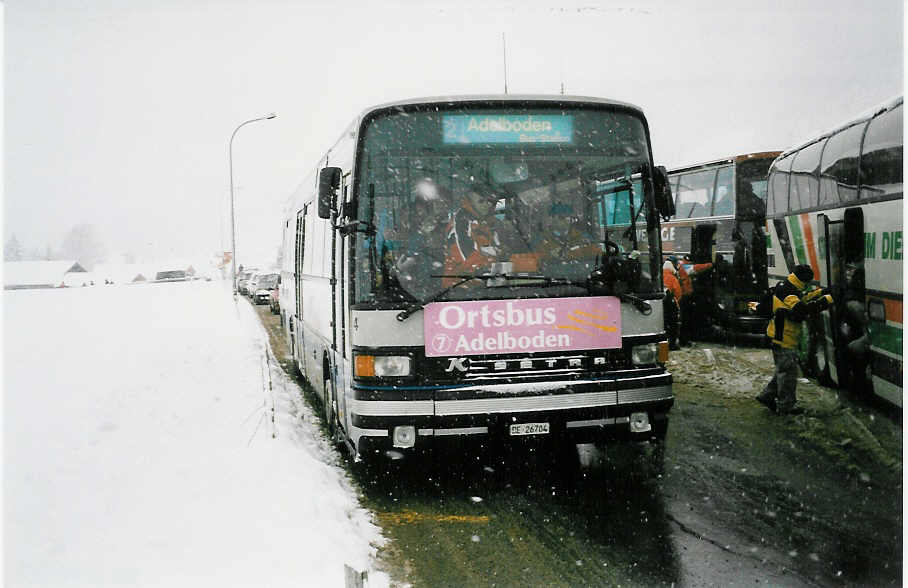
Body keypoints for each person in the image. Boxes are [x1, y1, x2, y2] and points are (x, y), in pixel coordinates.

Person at [755, 264, 833, 415]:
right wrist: (827, 300)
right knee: (788, 374)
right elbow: (802, 310)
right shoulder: (788, 291)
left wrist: (821, 293)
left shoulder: (788, 286)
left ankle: (767, 396)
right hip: (783, 338)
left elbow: (802, 298)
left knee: (784, 370)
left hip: (779, 336)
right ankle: (786, 406)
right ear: (803, 280)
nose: (808, 285)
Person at [390, 178, 451, 298]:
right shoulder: (414, 228)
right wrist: (422, 233)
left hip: (448, 287)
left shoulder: (449, 225)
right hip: (417, 290)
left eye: (446, 204)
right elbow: (407, 256)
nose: (443, 207)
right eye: (439, 203)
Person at [677, 254, 713, 345]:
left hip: (682, 296)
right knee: (686, 319)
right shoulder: (685, 267)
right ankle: (684, 340)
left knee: (684, 319)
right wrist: (711, 264)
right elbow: (698, 268)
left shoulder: (680, 267)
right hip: (684, 297)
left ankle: (684, 339)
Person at [662, 259, 682, 350]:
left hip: (659, 304)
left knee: (662, 325)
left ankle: (663, 345)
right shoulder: (673, 278)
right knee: (673, 325)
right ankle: (672, 344)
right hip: (671, 304)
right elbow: (678, 293)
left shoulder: (657, 276)